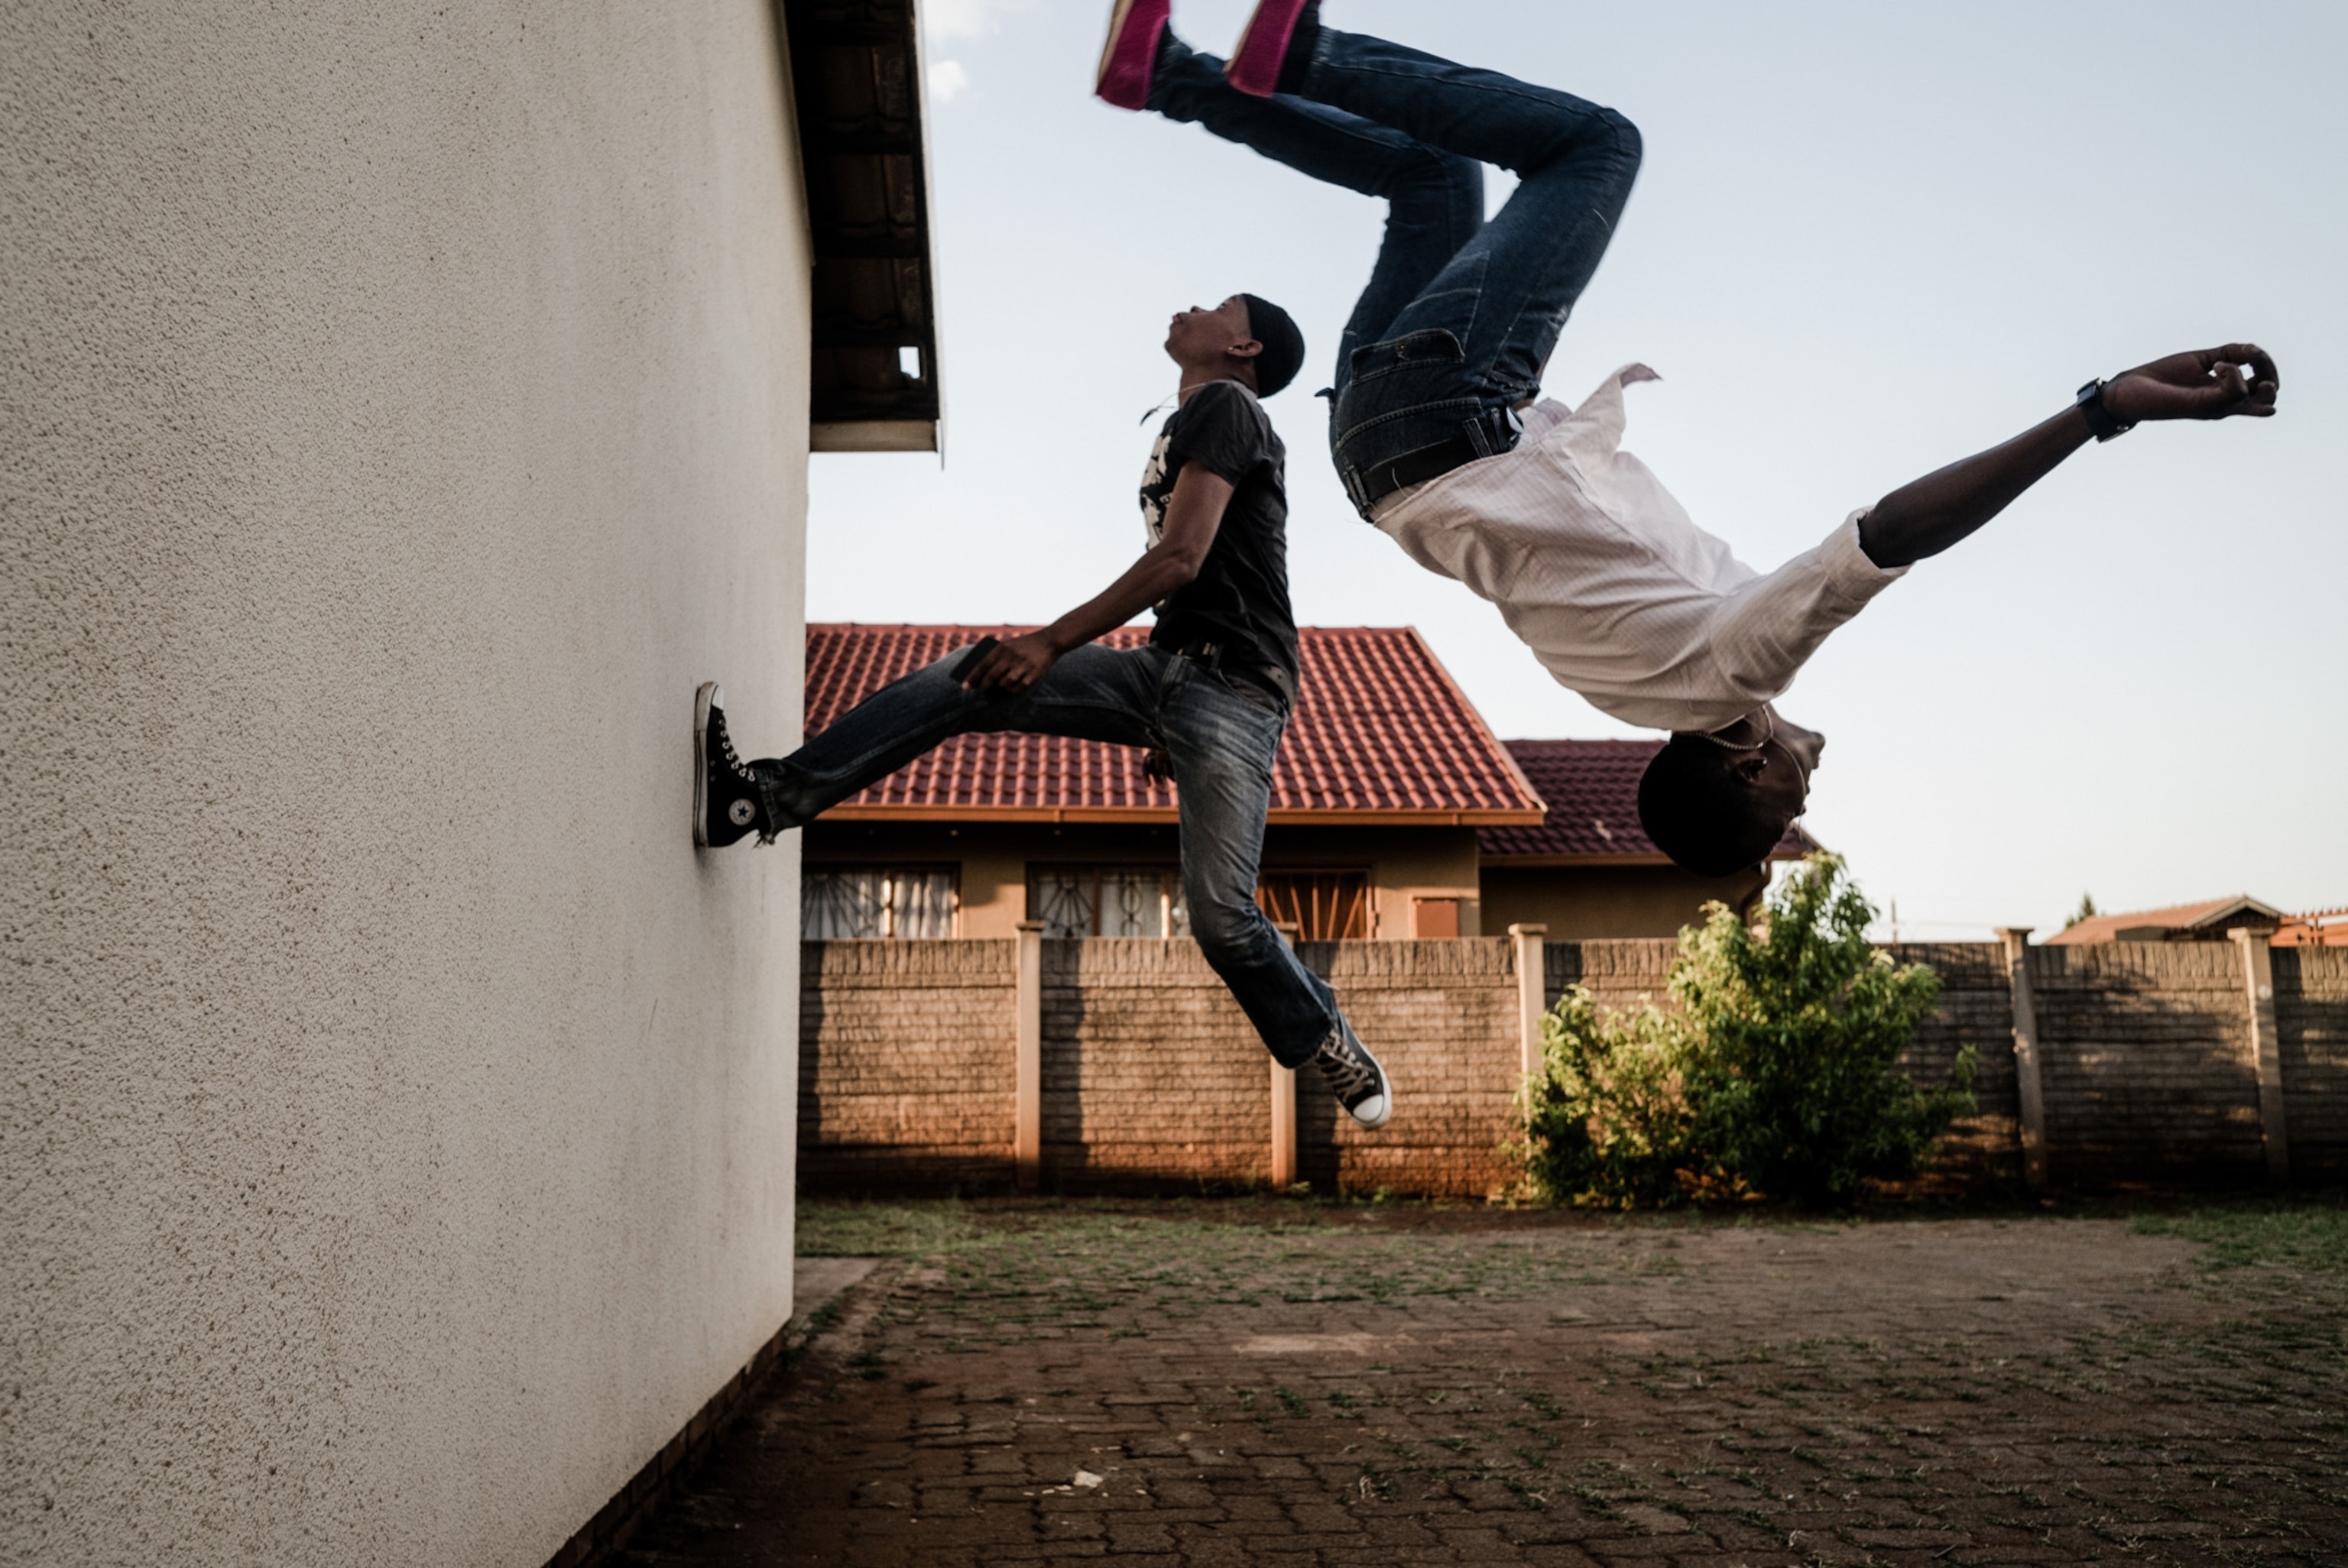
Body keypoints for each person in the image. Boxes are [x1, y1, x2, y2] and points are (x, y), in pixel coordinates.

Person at [1098, 0, 2281, 876]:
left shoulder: (1739, 670)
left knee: (1595, 146)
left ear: (1751, 768)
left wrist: (2101, 409)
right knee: (1431, 178)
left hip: (1447, 419)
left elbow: (1894, 531)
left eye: (1789, 802)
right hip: (1382, 458)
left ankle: (1297, 51)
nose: (1812, 781)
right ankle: (1175, 77)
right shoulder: (1636, 696)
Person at [694, 293, 1398, 1129]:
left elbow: (1181, 557)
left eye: (1215, 306)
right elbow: (1198, 578)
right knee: (971, 678)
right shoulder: (1195, 417)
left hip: (1235, 692)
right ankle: (763, 800)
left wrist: (1053, 642)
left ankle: (1322, 1034)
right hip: (1166, 673)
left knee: (1220, 917)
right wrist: (1160, 717)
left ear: (1243, 346)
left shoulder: (1228, 406)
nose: (1188, 307)